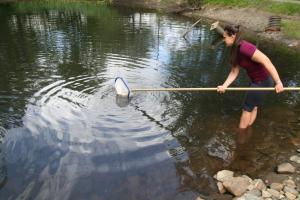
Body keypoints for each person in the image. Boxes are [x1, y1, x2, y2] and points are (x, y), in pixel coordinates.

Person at [217, 24, 284, 129]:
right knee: (253, 107)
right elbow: (234, 71)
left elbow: (267, 61)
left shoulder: (245, 48)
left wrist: (278, 82)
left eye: (225, 37)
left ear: (233, 35)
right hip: (255, 80)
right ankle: (248, 131)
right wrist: (224, 86)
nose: (223, 40)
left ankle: (241, 137)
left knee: (247, 109)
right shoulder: (235, 50)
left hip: (263, 81)